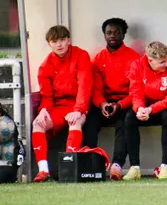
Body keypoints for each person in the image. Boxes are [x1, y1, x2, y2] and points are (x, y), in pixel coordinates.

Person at [32, 25, 93, 182]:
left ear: (69, 40)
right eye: (54, 41)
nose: (59, 44)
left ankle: (69, 169)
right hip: (58, 107)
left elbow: (85, 85)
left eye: (62, 40)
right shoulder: (45, 66)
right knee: (37, 124)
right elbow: (46, 95)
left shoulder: (81, 55)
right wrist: (43, 110)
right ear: (49, 44)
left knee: (75, 122)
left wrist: (79, 110)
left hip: (78, 105)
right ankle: (43, 171)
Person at [82, 18, 140, 181]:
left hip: (125, 103)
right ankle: (89, 163)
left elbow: (136, 91)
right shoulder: (99, 58)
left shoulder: (134, 58)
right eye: (109, 33)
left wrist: (120, 105)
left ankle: (116, 165)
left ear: (123, 34)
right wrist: (102, 104)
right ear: (104, 35)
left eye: (116, 33)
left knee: (124, 122)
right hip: (105, 102)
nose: (112, 36)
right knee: (90, 120)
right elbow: (96, 89)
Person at [123, 41, 167, 180]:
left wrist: (151, 109)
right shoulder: (137, 66)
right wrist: (140, 109)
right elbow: (135, 93)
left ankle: (165, 166)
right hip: (146, 105)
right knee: (129, 118)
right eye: (162, 62)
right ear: (150, 60)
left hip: (166, 105)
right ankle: (134, 167)